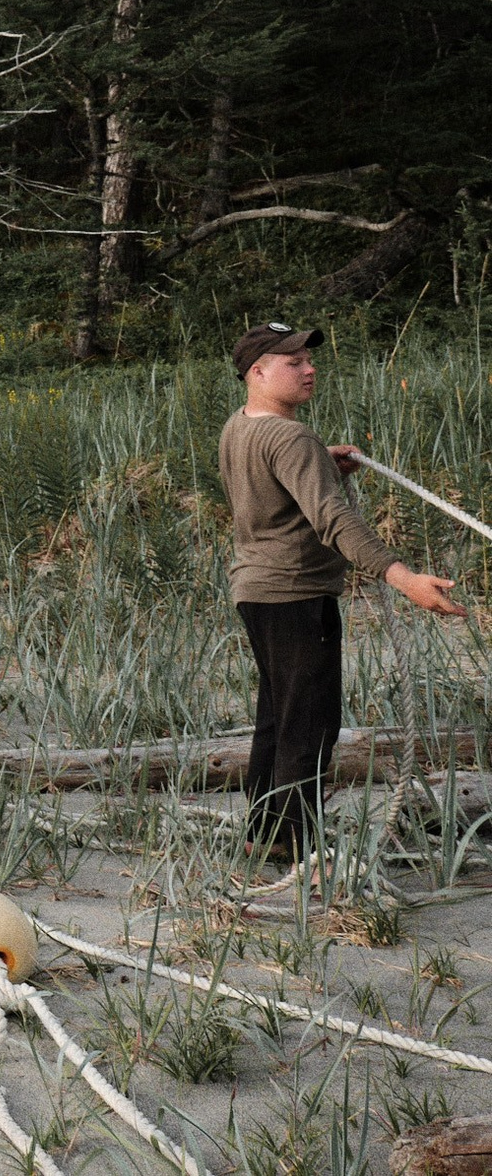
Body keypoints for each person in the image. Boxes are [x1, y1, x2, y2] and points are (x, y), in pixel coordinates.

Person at [219, 321, 464, 869]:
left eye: (308, 359)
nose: (309, 369)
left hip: (256, 592)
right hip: (296, 596)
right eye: (293, 362)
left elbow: (271, 484)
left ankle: (267, 838)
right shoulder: (291, 438)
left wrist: (320, 463)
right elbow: (336, 521)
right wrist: (403, 579)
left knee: (279, 720)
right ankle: (304, 855)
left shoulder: (242, 425)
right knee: (310, 726)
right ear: (257, 372)